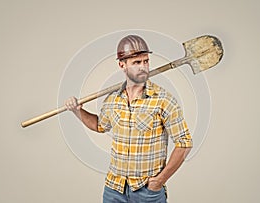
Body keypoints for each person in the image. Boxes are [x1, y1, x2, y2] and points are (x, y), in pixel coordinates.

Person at [65, 35, 193, 203]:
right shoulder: (112, 100)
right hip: (114, 190)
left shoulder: (164, 100)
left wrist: (159, 181)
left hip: (147, 192)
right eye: (136, 63)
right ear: (122, 65)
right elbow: (99, 126)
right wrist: (77, 111)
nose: (143, 67)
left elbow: (184, 143)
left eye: (145, 61)